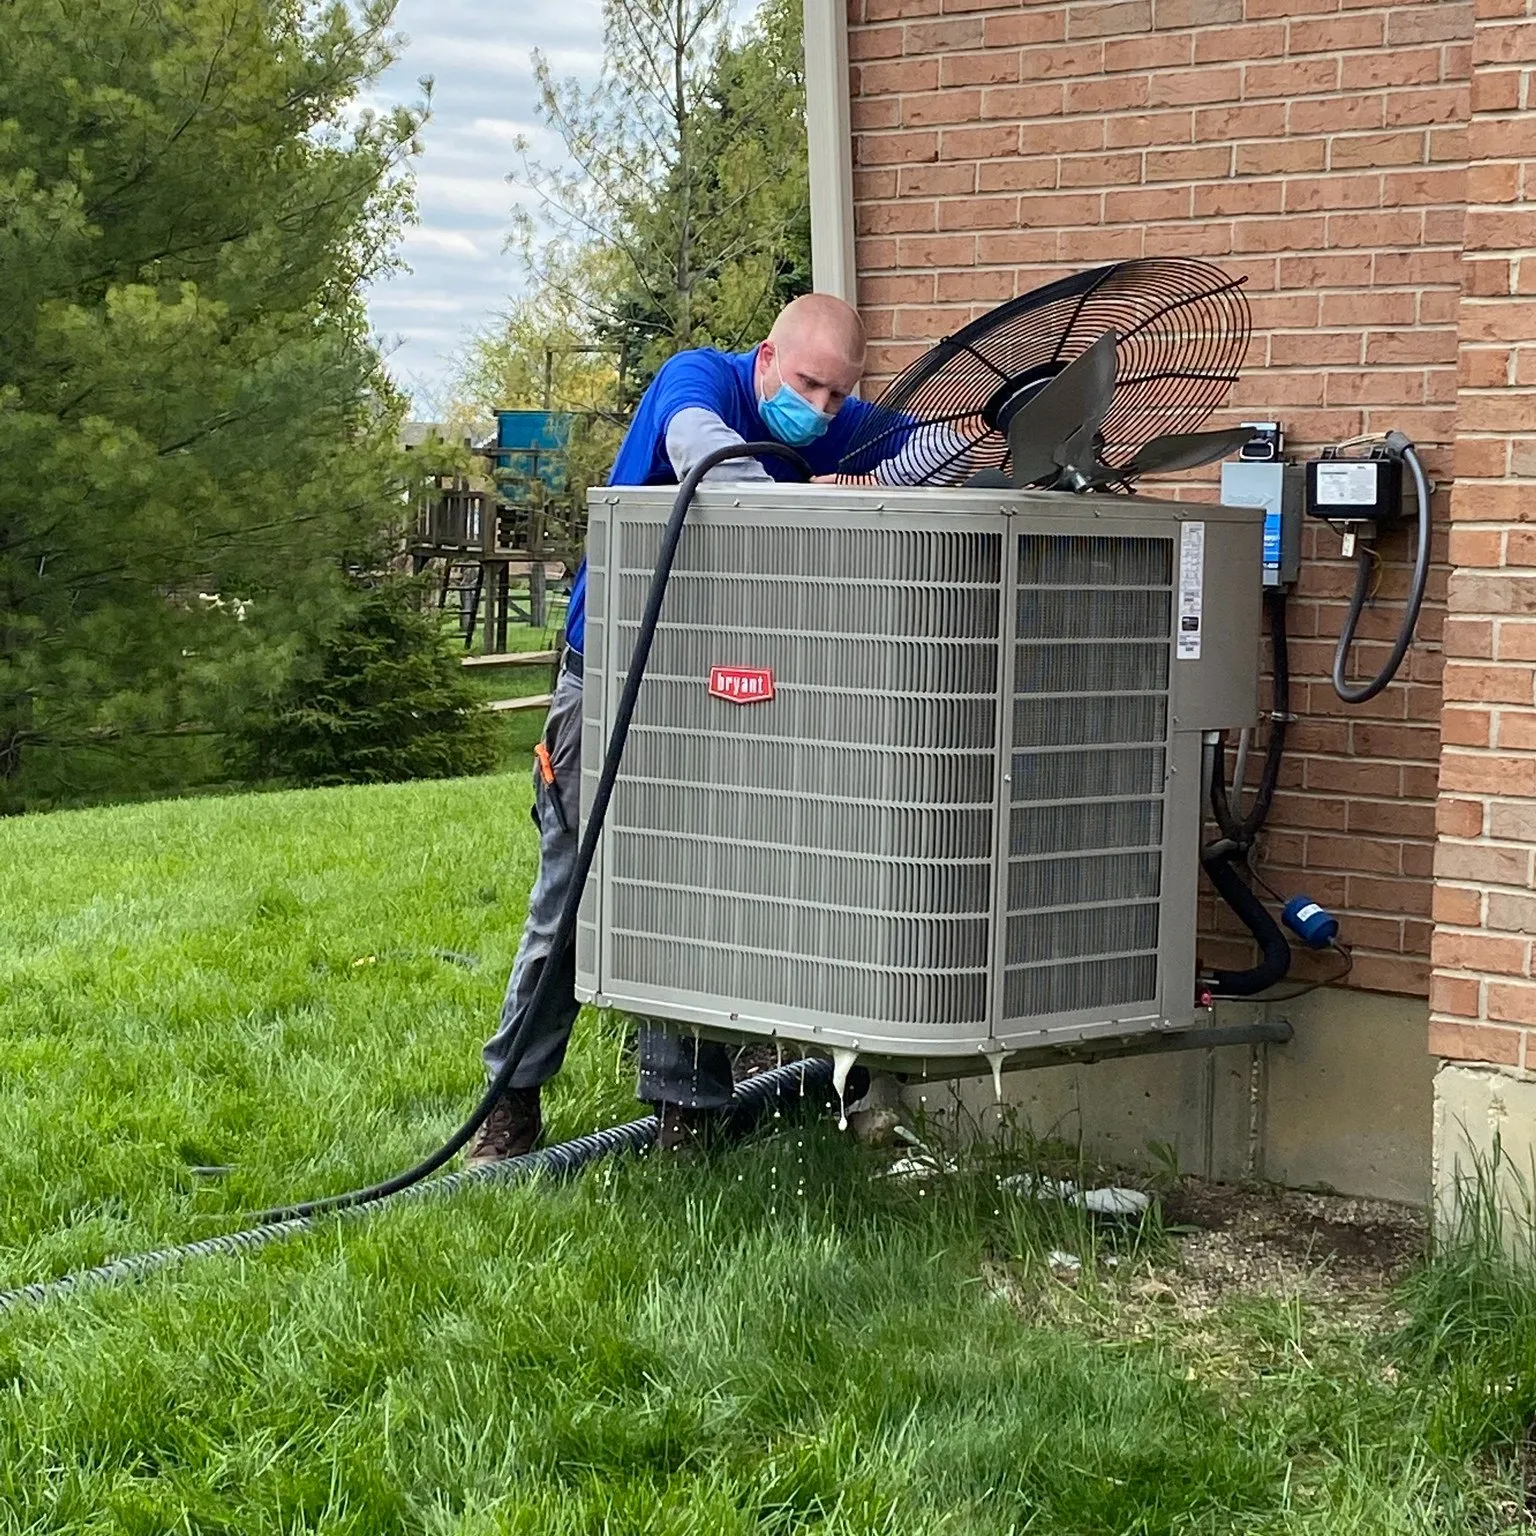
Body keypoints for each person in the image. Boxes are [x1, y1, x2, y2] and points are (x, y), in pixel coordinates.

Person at [467, 293, 911, 1166]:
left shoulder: (841, 422)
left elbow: (936, 451)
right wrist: (811, 496)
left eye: (839, 395)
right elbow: (703, 455)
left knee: (705, 890)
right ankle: (510, 1103)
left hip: (715, 683)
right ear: (767, 357)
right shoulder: (697, 380)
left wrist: (949, 455)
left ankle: (688, 1117)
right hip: (611, 671)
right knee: (578, 892)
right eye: (808, 386)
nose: (821, 411)